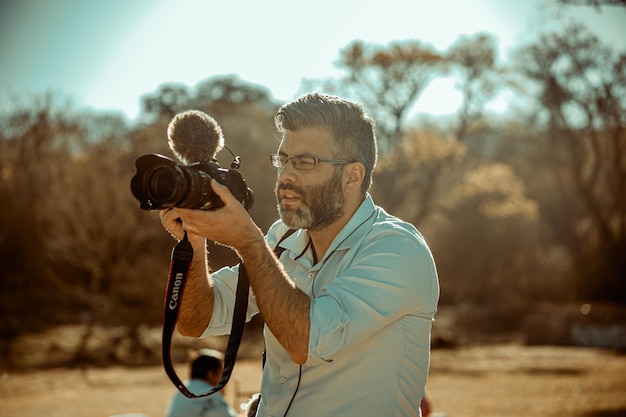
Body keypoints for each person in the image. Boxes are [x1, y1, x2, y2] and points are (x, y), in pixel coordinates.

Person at [159, 92, 440, 417]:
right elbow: (196, 321)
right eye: (283, 160)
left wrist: (249, 243)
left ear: (352, 176)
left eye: (305, 162)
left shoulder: (398, 249)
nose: (286, 176)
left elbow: (308, 341)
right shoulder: (282, 238)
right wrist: (193, 237)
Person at [165, 349, 237, 417]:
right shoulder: (210, 393)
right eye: (221, 374)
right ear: (210, 374)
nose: (222, 378)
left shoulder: (183, 389)